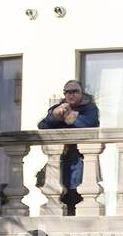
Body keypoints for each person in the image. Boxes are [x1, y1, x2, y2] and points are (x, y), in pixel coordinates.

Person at [36, 80, 99, 214]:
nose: (70, 95)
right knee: (59, 199)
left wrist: (71, 117)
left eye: (74, 92)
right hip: (60, 162)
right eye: (67, 92)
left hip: (81, 161)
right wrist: (55, 115)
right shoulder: (59, 107)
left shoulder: (90, 108)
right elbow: (42, 125)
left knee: (78, 199)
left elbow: (88, 125)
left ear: (81, 93)